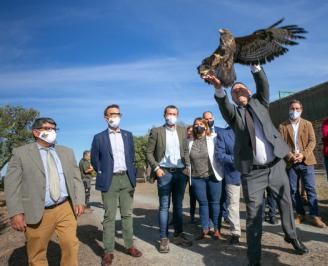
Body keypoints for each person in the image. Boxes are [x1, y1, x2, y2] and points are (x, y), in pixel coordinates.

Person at [204, 64, 308, 265]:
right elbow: (224, 105)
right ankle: (254, 258)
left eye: (241, 88)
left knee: (286, 204)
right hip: (253, 174)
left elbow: (263, 84)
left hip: (276, 166)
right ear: (233, 98)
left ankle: (291, 236)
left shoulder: (261, 102)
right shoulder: (234, 115)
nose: (238, 91)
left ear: (249, 91)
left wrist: (255, 66)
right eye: (234, 92)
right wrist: (219, 87)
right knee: (254, 216)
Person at [4, 117, 85, 265]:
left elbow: (76, 179)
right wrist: (16, 213)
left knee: (70, 245)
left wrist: (80, 200)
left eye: (54, 129)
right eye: (48, 129)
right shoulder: (21, 153)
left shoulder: (67, 152)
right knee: (37, 253)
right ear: (36, 132)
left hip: (65, 207)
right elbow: (11, 185)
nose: (52, 132)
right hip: (37, 210)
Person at [91, 104, 142, 266]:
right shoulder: (99, 137)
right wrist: (104, 172)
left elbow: (131, 156)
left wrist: (132, 175)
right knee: (109, 216)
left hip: (126, 178)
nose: (115, 117)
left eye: (117, 114)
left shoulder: (128, 135)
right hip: (109, 180)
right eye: (111, 114)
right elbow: (95, 159)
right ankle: (108, 251)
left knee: (127, 214)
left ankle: (129, 246)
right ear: (105, 118)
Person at [146, 105, 192, 253]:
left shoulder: (182, 131)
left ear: (177, 116)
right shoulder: (157, 131)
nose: (171, 116)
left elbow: (185, 150)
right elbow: (149, 153)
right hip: (164, 173)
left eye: (174, 114)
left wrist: (187, 167)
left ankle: (178, 234)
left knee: (178, 206)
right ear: (164, 115)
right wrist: (156, 168)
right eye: (169, 113)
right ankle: (164, 238)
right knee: (164, 206)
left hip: (180, 173)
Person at [279, 100, 326, 228]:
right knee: (293, 190)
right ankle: (300, 213)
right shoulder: (282, 126)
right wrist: (290, 156)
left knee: (310, 188)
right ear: (289, 109)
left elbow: (312, 141)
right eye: (292, 108)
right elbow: (281, 145)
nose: (294, 111)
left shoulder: (308, 124)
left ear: (301, 109)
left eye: (297, 108)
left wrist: (303, 154)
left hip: (307, 161)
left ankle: (314, 215)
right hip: (291, 163)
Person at [188, 118, 224, 240]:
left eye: (201, 124)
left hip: (213, 177)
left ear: (206, 126)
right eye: (196, 124)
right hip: (197, 178)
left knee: (215, 203)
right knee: (203, 204)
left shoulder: (213, 138)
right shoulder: (189, 142)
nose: (198, 126)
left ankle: (217, 229)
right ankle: (205, 229)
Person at [215, 126, 242, 245]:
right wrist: (235, 159)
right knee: (233, 204)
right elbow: (219, 155)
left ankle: (255, 230)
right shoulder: (223, 134)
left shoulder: (252, 130)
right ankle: (235, 233)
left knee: (255, 203)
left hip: (253, 174)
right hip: (233, 173)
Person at [186, 125, 197, 224]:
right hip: (186, 171)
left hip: (195, 172)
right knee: (191, 196)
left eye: (191, 131)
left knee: (196, 195)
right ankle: (192, 215)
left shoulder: (197, 141)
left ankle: (195, 216)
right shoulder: (185, 142)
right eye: (188, 131)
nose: (189, 133)